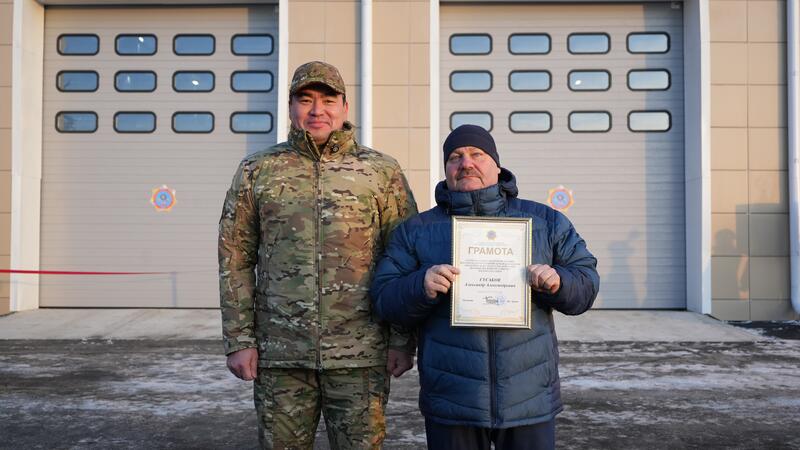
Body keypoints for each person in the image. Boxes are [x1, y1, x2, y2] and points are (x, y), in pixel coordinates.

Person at [219, 61, 418, 450]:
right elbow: (235, 259)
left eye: (328, 99)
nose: (316, 110)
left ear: (344, 107)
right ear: (290, 107)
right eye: (305, 99)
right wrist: (239, 339)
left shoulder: (381, 172)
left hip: (361, 354)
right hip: (281, 356)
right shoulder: (257, 171)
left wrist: (401, 340)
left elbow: (405, 258)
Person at [370, 124, 599, 450]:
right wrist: (420, 285)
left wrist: (559, 282)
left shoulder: (545, 222)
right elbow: (384, 297)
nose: (466, 163)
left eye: (477, 154)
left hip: (528, 399)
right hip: (452, 401)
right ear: (446, 168)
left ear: (496, 164)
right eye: (455, 157)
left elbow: (586, 284)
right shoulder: (418, 230)